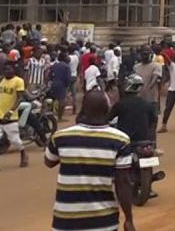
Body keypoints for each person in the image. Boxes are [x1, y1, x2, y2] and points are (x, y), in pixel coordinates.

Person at [45, 90, 135, 231]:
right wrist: (129, 219)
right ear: (108, 110)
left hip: (65, 221)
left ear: (83, 109)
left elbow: (49, 161)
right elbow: (123, 183)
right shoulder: (120, 140)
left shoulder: (61, 137)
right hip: (103, 222)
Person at [0, 62, 29, 172]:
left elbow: (19, 98)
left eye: (9, 69)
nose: (7, 72)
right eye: (5, 70)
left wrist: (10, 111)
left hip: (11, 117)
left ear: (14, 70)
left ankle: (23, 153)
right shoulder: (0, 80)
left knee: (15, 140)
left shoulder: (19, 81)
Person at [108, 74, 157, 146]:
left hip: (124, 141)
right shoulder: (147, 105)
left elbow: (108, 118)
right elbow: (153, 124)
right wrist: (153, 143)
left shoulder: (121, 104)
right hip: (144, 143)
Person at [133, 48, 162, 143]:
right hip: (138, 99)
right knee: (140, 122)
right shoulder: (136, 67)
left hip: (151, 99)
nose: (144, 56)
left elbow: (155, 78)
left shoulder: (156, 66)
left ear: (150, 55)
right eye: (143, 54)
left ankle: (153, 144)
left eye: (146, 54)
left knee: (152, 123)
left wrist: (147, 88)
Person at [49, 51, 73, 121]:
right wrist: (67, 86)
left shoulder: (55, 65)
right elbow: (68, 78)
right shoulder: (66, 66)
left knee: (52, 100)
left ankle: (51, 116)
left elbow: (50, 75)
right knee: (62, 102)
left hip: (54, 83)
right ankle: (59, 117)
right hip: (62, 85)